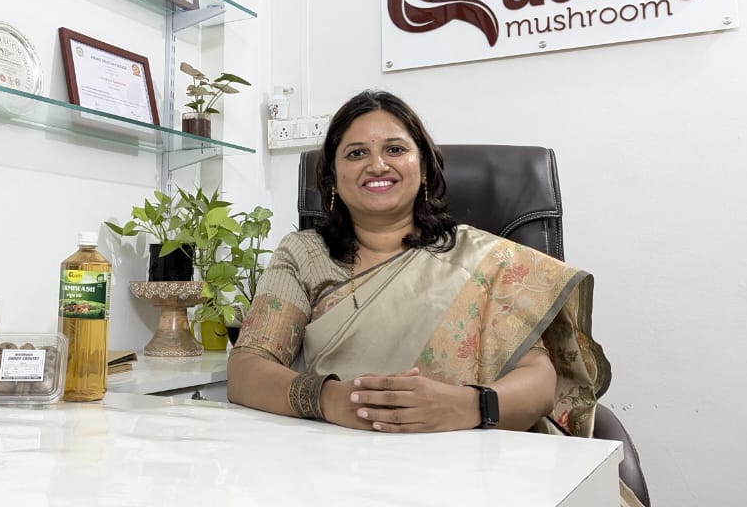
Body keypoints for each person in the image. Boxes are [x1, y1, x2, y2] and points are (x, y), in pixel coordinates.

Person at [228, 90, 642, 507]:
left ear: (423, 167)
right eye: (355, 153)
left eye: (395, 149)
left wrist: (470, 406)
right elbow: (247, 368)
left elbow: (541, 381)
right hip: (345, 464)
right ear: (331, 177)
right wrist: (330, 399)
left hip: (478, 460)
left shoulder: (482, 258)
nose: (377, 164)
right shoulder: (304, 253)